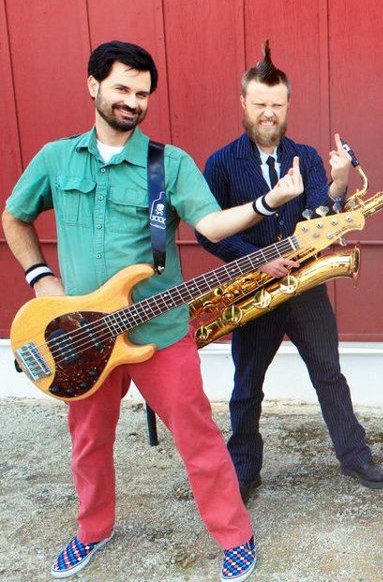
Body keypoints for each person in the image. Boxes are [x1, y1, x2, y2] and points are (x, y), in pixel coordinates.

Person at [1, 41, 303, 581]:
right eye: (122, 88)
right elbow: (14, 216)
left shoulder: (169, 164)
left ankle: (234, 534)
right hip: (81, 336)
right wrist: (40, 277)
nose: (132, 101)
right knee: (88, 442)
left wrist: (268, 203)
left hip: (159, 332)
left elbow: (210, 225)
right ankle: (92, 529)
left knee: (198, 437)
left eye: (142, 93)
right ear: (93, 85)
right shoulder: (55, 159)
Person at [197, 43, 383, 502]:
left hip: (305, 288)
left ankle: (355, 456)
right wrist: (257, 259)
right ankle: (245, 468)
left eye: (277, 105)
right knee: (247, 387)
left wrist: (339, 182)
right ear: (243, 103)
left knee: (329, 375)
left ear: (288, 106)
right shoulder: (221, 163)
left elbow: (323, 216)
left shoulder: (305, 155)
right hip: (254, 290)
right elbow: (208, 233)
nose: (269, 113)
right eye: (260, 104)